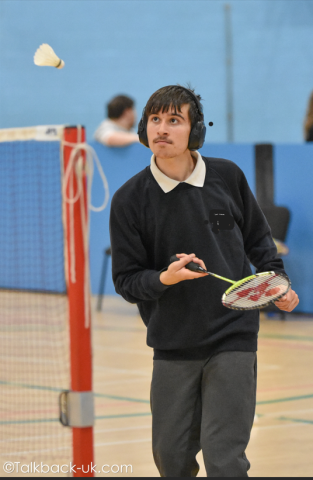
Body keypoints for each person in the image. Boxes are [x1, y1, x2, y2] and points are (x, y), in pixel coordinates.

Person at [109, 85, 299, 477]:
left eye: (174, 120)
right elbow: (127, 282)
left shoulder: (227, 177)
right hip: (173, 341)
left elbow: (260, 244)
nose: (162, 129)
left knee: (224, 457)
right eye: (155, 121)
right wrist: (165, 278)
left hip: (233, 334)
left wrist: (278, 284)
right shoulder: (129, 199)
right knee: (171, 459)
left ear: (195, 130)